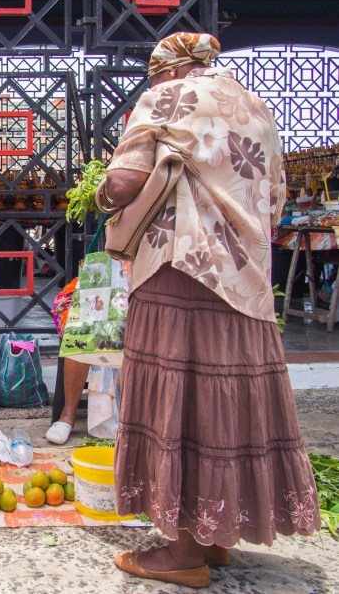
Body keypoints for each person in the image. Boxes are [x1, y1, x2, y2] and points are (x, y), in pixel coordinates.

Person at [95, 33, 319, 588]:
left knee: (179, 398)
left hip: (180, 268)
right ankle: (216, 536)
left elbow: (125, 181)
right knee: (227, 399)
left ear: (165, 70)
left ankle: (181, 554)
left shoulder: (167, 100)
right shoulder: (255, 109)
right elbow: (275, 198)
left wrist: (103, 191)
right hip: (244, 279)